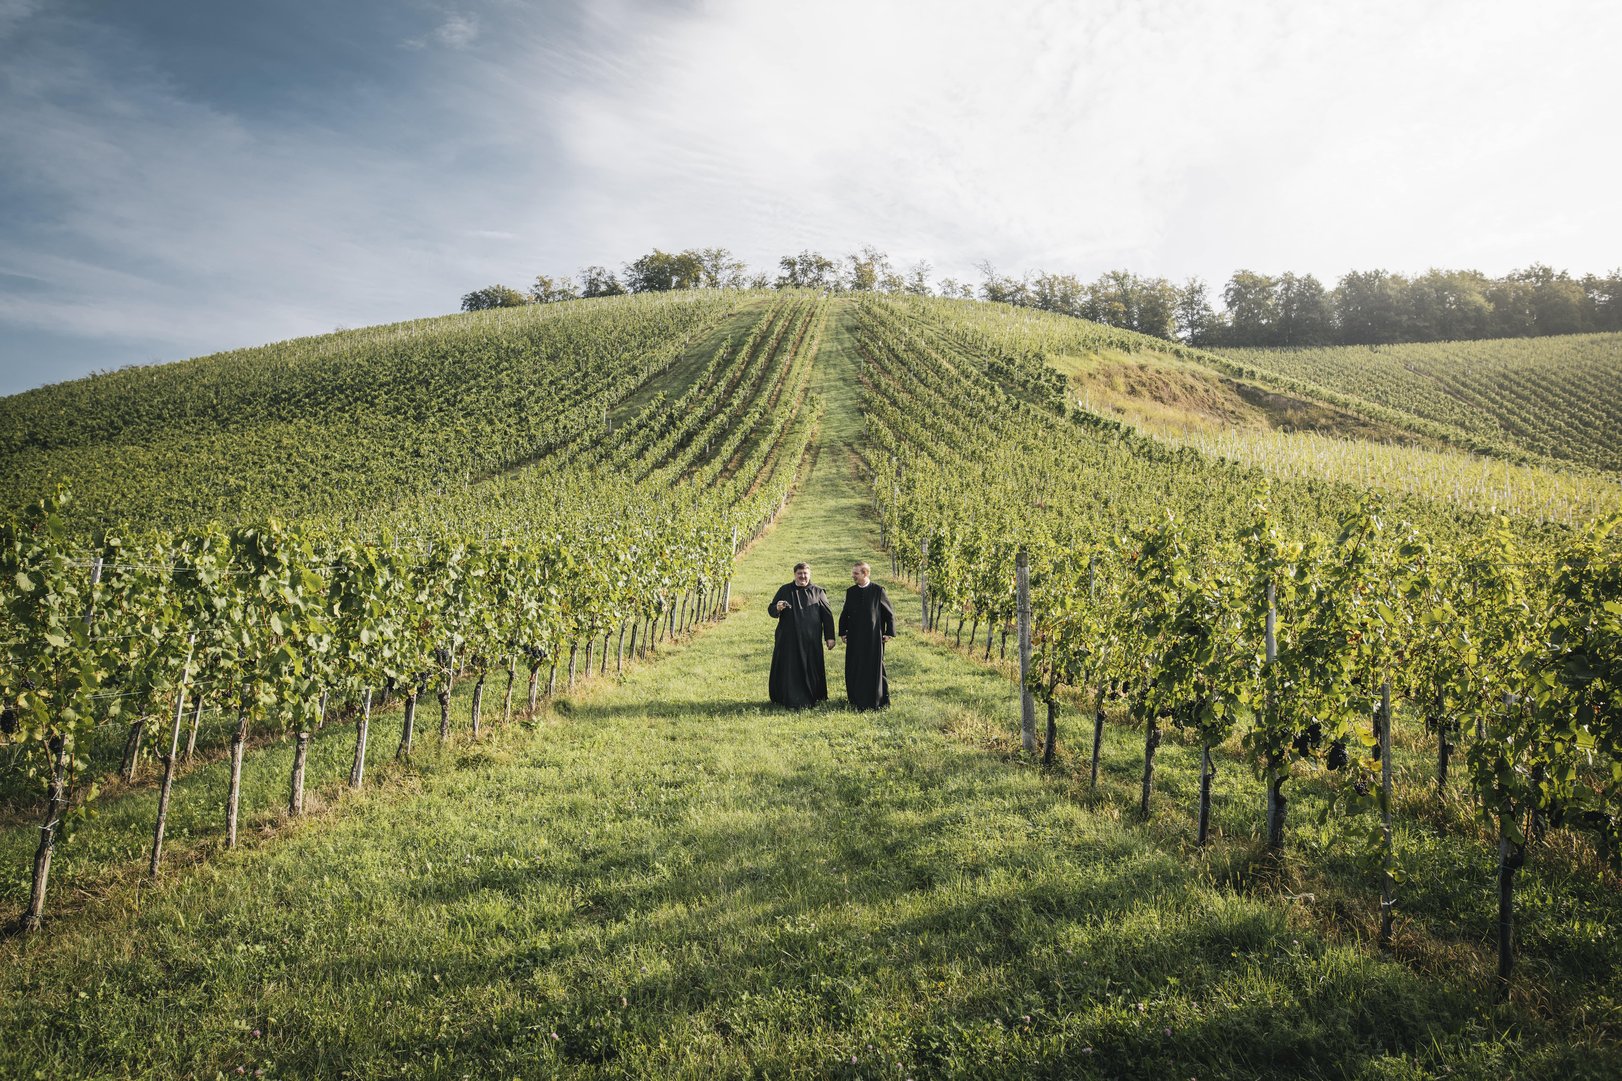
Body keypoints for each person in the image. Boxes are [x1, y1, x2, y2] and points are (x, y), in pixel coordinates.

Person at [767, 561, 836, 708]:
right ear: (794, 575)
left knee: (811, 667)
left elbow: (827, 616)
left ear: (809, 574)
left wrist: (830, 637)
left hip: (810, 640)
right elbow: (771, 610)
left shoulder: (818, 592)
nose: (803, 576)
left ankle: (814, 695)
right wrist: (777, 608)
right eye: (800, 573)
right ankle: (786, 697)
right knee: (789, 667)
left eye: (805, 573)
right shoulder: (784, 590)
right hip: (788, 639)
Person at [837, 561, 895, 710]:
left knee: (874, 667)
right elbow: (845, 613)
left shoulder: (878, 591)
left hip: (873, 638)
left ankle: (877, 699)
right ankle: (855, 699)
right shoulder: (851, 592)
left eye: (856, 573)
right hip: (855, 637)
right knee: (855, 667)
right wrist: (842, 632)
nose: (853, 576)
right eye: (853, 573)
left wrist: (889, 632)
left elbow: (889, 614)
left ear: (865, 573)